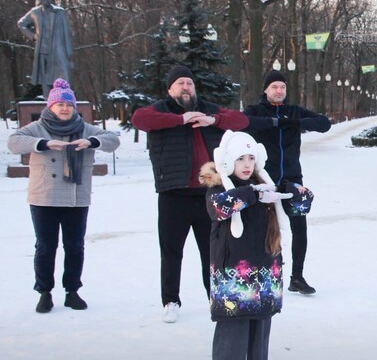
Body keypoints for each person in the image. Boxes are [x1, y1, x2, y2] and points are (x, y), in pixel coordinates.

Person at [131, 65, 248, 323]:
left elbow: (241, 120)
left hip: (208, 195)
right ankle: (171, 300)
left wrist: (213, 120)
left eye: (190, 83)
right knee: (171, 251)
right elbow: (139, 119)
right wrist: (180, 119)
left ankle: (215, 297)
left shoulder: (209, 108)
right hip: (173, 194)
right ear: (170, 89)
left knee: (213, 250)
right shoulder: (160, 110)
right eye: (180, 83)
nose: (186, 87)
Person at [7, 79, 120, 313]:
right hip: (44, 198)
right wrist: (43, 143)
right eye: (60, 105)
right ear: (51, 107)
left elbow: (113, 140)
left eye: (69, 105)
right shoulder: (38, 126)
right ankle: (45, 292)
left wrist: (92, 141)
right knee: (46, 247)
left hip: (76, 198)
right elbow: (14, 142)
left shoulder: (84, 127)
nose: (65, 109)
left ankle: (72, 291)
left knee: (75, 246)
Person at [199, 131, 293, 360]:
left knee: (258, 341)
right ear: (228, 159)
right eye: (241, 158)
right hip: (235, 283)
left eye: (251, 158)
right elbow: (220, 208)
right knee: (232, 340)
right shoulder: (219, 188)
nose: (247, 164)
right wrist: (253, 195)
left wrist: (293, 191)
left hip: (264, 278)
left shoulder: (266, 187)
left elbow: (300, 206)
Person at [244, 70, 331, 295]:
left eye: (282, 87)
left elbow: (323, 124)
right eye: (274, 87)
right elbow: (245, 122)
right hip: (265, 179)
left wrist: (292, 122)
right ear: (266, 90)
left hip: (293, 179)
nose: (279, 91)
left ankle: (297, 277)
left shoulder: (293, 111)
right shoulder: (256, 110)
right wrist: (275, 123)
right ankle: (262, 274)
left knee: (299, 227)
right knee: (263, 228)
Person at [18, 0, 74, 97]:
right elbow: (21, 24)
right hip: (42, 49)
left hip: (57, 48)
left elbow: (67, 32)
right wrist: (32, 36)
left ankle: (65, 97)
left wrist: (69, 51)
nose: (47, 0)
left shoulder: (59, 12)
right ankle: (47, 99)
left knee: (63, 73)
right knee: (44, 77)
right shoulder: (35, 12)